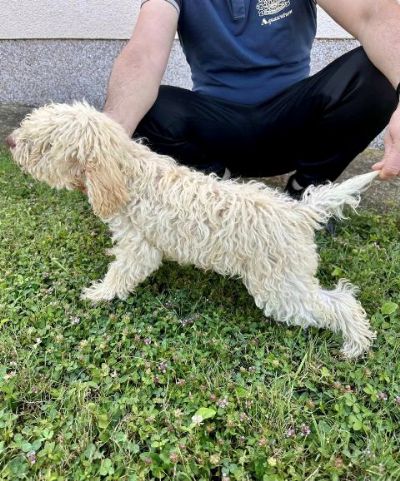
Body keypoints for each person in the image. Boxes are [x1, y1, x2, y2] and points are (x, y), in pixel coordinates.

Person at [103, 0, 400, 198]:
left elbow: (373, 14)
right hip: (217, 131)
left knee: (377, 74)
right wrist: (105, 144)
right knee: (148, 108)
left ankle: (306, 189)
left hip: (293, 124)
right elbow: (143, 55)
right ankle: (218, 187)